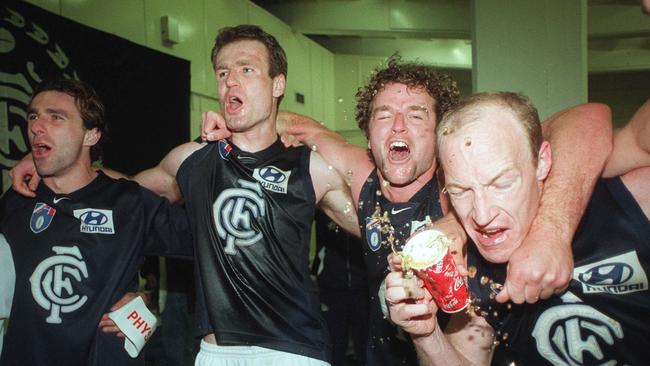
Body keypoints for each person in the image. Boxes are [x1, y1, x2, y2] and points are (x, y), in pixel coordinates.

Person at [201, 55, 612, 364]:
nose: (398, 126)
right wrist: (233, 123)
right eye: (384, 115)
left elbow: (584, 119)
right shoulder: (363, 181)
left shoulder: (464, 193)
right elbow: (301, 127)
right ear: (368, 132)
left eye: (416, 115)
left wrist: (547, 231)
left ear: (439, 134)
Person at [385, 93, 650, 365]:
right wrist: (427, 334)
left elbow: (592, 119)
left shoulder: (626, 202)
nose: (482, 215)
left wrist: (551, 232)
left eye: (502, 184)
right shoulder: (470, 267)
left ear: (543, 161)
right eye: (461, 191)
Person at [0, 78, 192, 365]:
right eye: (33, 116)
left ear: (91, 135)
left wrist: (146, 303)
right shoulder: (16, 201)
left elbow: (214, 244)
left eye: (56, 117)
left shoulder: (128, 203)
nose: (36, 126)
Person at [313, 211, 368, 366]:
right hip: (332, 288)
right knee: (334, 343)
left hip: (363, 289)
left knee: (365, 343)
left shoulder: (363, 206)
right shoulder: (325, 210)